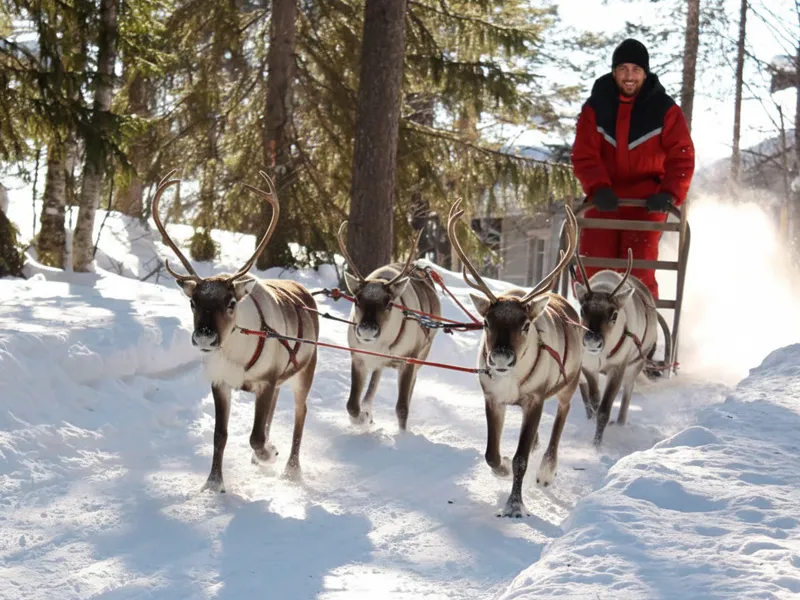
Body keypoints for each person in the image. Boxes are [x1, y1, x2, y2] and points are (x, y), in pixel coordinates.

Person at [570, 38, 695, 299]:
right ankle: (591, 324)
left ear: (645, 73)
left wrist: (669, 193)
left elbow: (681, 156)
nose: (629, 76)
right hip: (605, 197)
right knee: (595, 267)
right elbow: (584, 153)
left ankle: (642, 331)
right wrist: (597, 187)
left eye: (636, 70)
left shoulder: (664, 110)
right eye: (623, 69)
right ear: (614, 72)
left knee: (638, 268)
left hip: (646, 201)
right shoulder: (596, 107)